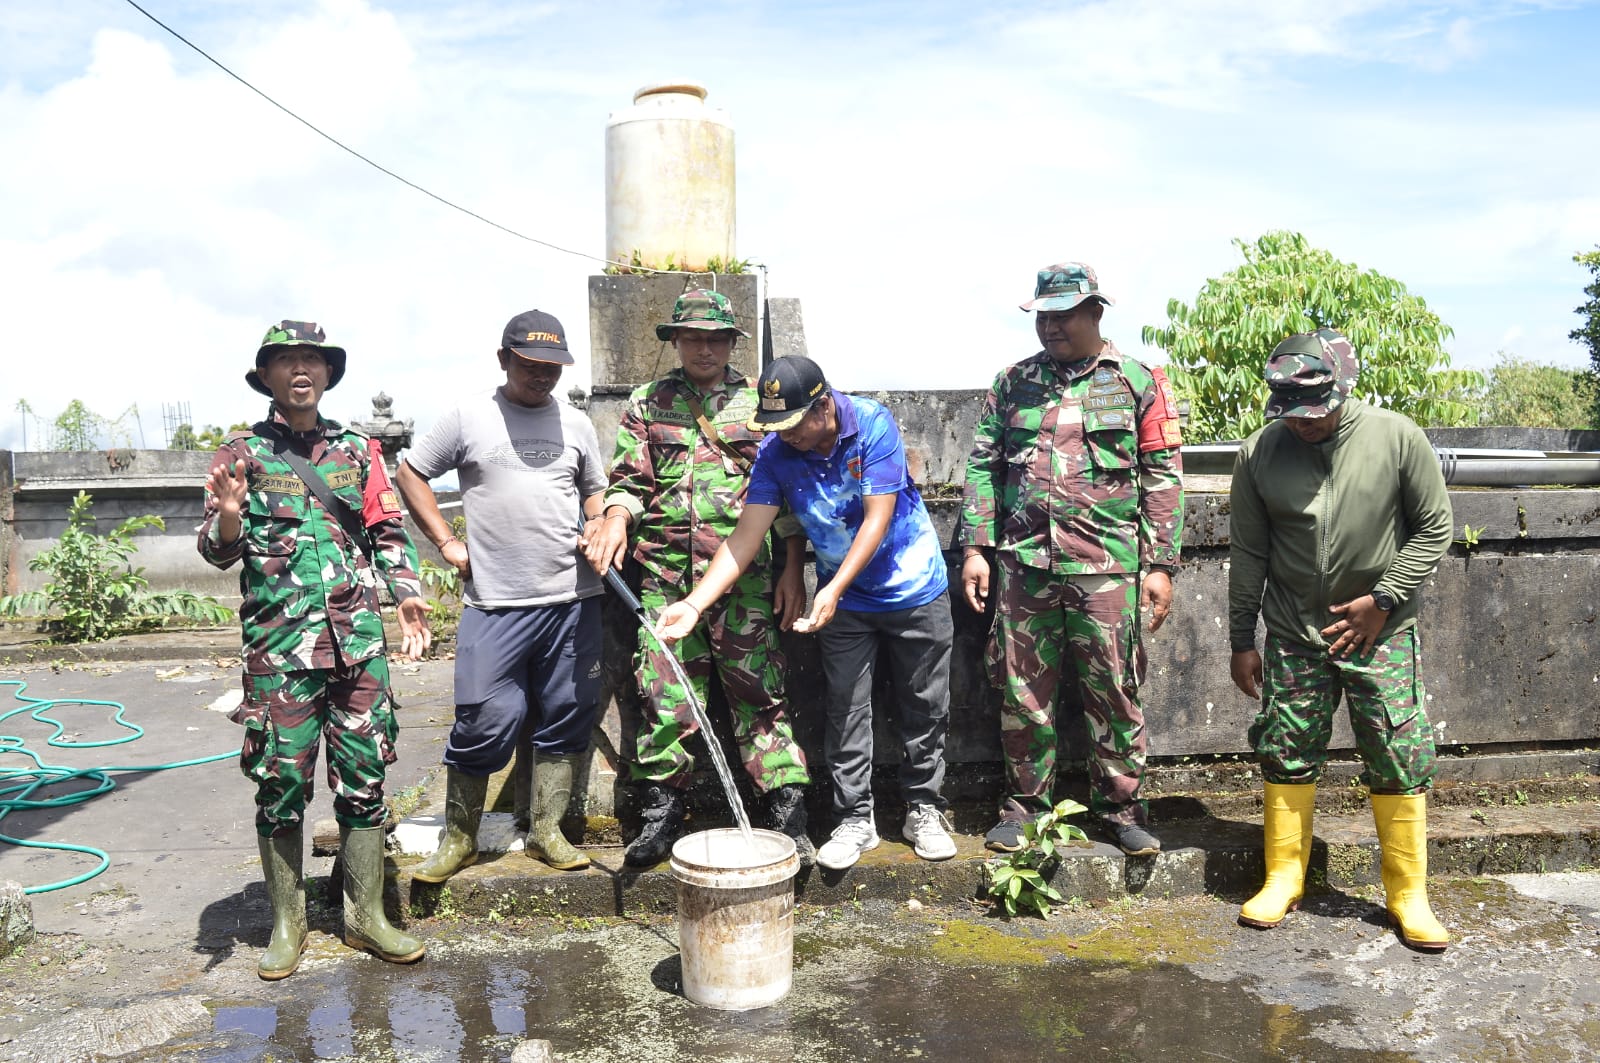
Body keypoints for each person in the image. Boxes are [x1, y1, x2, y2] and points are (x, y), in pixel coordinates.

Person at [656, 355, 958, 871]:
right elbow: (746, 536)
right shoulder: (776, 452)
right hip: (846, 604)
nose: (786, 434)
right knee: (845, 707)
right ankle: (854, 818)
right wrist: (692, 603)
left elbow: (878, 517)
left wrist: (831, 587)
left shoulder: (871, 424)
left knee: (924, 705)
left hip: (914, 589)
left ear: (823, 407)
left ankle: (924, 808)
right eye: (775, 425)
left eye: (793, 422)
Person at [198, 320, 432, 979]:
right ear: (266, 375)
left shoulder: (359, 451)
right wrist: (229, 517)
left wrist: (406, 592)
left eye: (312, 360)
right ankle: (288, 922)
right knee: (280, 782)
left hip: (358, 644)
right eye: (286, 360)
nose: (300, 370)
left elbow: (387, 529)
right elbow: (215, 550)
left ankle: (366, 915)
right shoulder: (239, 455)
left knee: (365, 776)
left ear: (328, 374)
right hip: (281, 650)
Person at [1229, 327, 1453, 950]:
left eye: (1314, 410)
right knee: (1286, 748)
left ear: (1343, 388)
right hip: (1294, 634)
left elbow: (1435, 527)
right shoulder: (1260, 452)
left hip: (1381, 633)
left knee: (1397, 752)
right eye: (1290, 412)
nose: (1303, 422)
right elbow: (1249, 552)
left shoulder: (1396, 437)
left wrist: (1383, 600)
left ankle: (1408, 895)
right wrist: (1242, 638)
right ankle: (1284, 878)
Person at [959, 262, 1184, 857]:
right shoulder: (1013, 382)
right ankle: (1023, 809)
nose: (1051, 327)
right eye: (1043, 317)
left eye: (1063, 315)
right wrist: (976, 548)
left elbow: (1163, 476)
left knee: (1114, 690)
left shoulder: (1137, 381)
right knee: (1021, 693)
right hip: (1023, 564)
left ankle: (1122, 810)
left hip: (1107, 567)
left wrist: (1160, 565)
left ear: (1095, 312)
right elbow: (983, 465)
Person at [582, 290, 814, 867]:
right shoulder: (648, 402)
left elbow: (786, 493)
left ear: (732, 342)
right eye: (692, 338)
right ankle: (660, 816)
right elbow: (630, 481)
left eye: (716, 339)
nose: (704, 349)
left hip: (746, 580)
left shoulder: (757, 403)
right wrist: (615, 518)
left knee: (760, 694)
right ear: (676, 341)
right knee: (663, 697)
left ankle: (788, 815)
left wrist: (793, 565)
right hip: (664, 578)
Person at [395, 309, 606, 880]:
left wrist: (597, 521)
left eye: (553, 367)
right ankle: (460, 838)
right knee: (485, 717)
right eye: (530, 364)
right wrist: (446, 540)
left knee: (567, 712)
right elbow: (410, 474)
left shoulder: (576, 423)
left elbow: (594, 490)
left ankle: (546, 831)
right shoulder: (469, 417)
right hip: (495, 603)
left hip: (573, 599)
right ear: (504, 359)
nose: (543, 375)